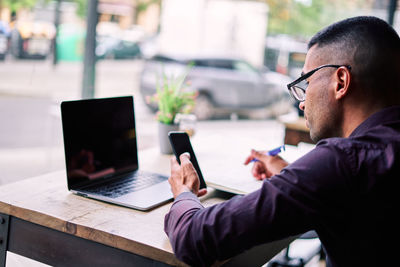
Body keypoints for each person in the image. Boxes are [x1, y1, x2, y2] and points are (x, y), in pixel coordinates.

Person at [164, 16, 400, 267]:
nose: (301, 102)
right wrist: (292, 174)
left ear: (340, 82)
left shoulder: (342, 162)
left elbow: (195, 238)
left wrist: (184, 191)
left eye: (306, 82)